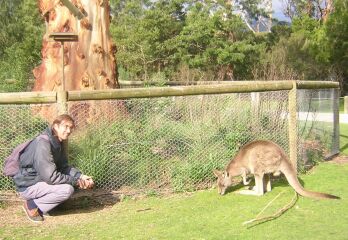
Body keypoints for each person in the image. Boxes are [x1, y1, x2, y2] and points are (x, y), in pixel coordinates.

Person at [13, 114, 94, 222]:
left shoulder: (58, 142)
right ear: (55, 126)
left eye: (71, 127)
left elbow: (64, 167)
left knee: (69, 185)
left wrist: (81, 176)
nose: (69, 130)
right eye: (66, 126)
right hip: (28, 185)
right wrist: (77, 182)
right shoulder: (43, 143)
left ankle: (41, 206)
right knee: (67, 189)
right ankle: (31, 205)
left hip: (39, 182)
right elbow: (51, 177)